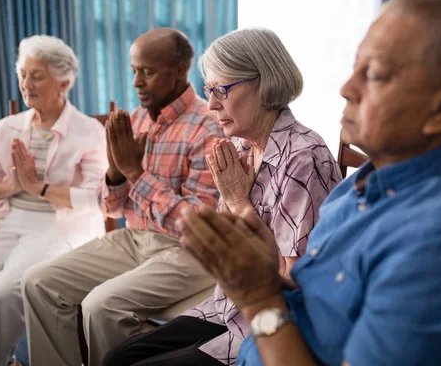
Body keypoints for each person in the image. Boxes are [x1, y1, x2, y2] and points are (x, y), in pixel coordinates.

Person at [177, 0, 441, 366]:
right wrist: (262, 270)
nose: (346, 88)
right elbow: (319, 295)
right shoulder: (365, 183)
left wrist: (259, 296)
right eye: (354, 66)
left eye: (374, 74)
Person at [103, 27, 343, 366]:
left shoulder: (303, 157)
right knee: (117, 357)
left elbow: (293, 281)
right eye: (208, 90)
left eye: (221, 90)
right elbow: (221, 241)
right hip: (226, 306)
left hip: (273, 323)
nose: (212, 104)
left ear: (264, 84)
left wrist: (239, 203)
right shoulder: (241, 147)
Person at [22, 28, 224, 366]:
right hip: (134, 238)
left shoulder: (209, 127)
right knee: (38, 283)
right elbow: (111, 207)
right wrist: (116, 174)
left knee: (101, 305)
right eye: (134, 71)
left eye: (147, 71)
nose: (136, 82)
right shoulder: (134, 119)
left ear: (179, 70)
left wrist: (134, 173)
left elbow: (198, 224)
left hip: (192, 252)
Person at [0, 35, 107, 366]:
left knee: (1, 293)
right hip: (8, 217)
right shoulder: (8, 126)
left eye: (37, 75)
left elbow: (97, 197)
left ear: (63, 82)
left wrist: (37, 186)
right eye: (23, 74)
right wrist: (13, 186)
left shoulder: (89, 130)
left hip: (60, 224)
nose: (26, 84)